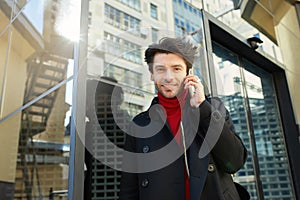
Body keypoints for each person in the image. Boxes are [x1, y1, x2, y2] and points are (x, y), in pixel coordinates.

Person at [119, 37, 249, 200]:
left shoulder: (213, 108)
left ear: (188, 73)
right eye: (160, 69)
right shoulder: (139, 124)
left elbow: (235, 161)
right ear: (152, 75)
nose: (168, 77)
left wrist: (203, 108)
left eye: (176, 69)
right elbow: (129, 189)